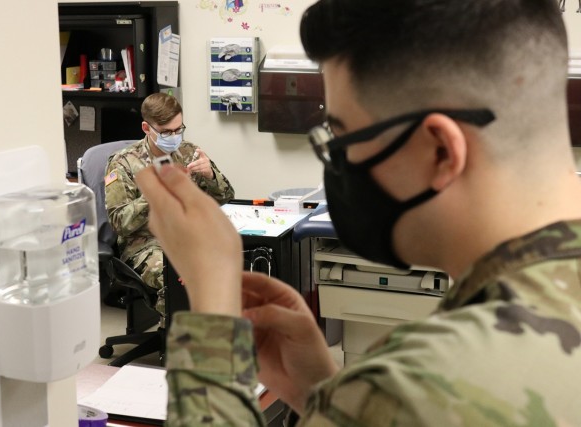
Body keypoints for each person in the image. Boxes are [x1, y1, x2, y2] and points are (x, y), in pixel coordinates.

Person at [136, 0, 581, 425]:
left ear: (440, 151)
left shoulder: (417, 387)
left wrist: (212, 305)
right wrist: (325, 395)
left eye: (344, 137)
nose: (338, 161)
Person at [104, 93, 235, 322]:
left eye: (178, 129)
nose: (174, 137)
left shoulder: (188, 152)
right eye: (166, 132)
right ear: (147, 127)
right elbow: (119, 223)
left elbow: (226, 196)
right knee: (179, 278)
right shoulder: (122, 163)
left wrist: (211, 175)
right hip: (145, 244)